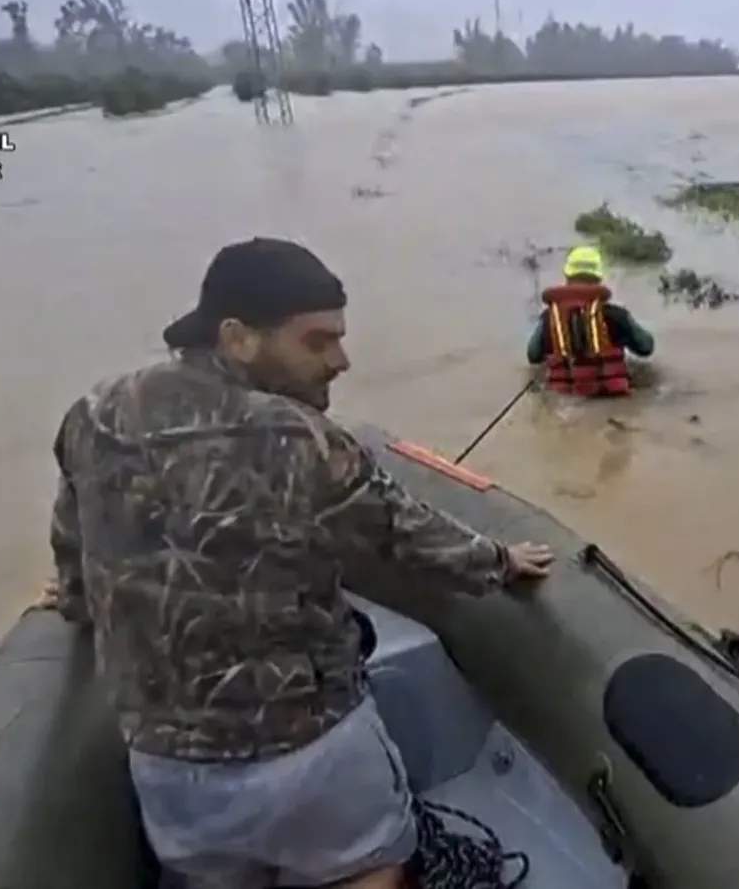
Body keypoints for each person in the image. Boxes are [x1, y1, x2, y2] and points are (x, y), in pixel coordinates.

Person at [33, 237, 555, 889]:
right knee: (372, 868)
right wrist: (500, 560)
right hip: (312, 753)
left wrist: (76, 601)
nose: (341, 359)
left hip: (171, 773)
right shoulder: (301, 434)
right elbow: (405, 534)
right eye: (317, 342)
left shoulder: (94, 413)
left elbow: (73, 538)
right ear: (238, 337)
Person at [525, 245, 655, 397]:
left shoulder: (549, 318)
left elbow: (533, 356)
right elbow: (646, 347)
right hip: (612, 396)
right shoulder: (616, 315)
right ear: (599, 279)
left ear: (567, 277)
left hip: (565, 398)